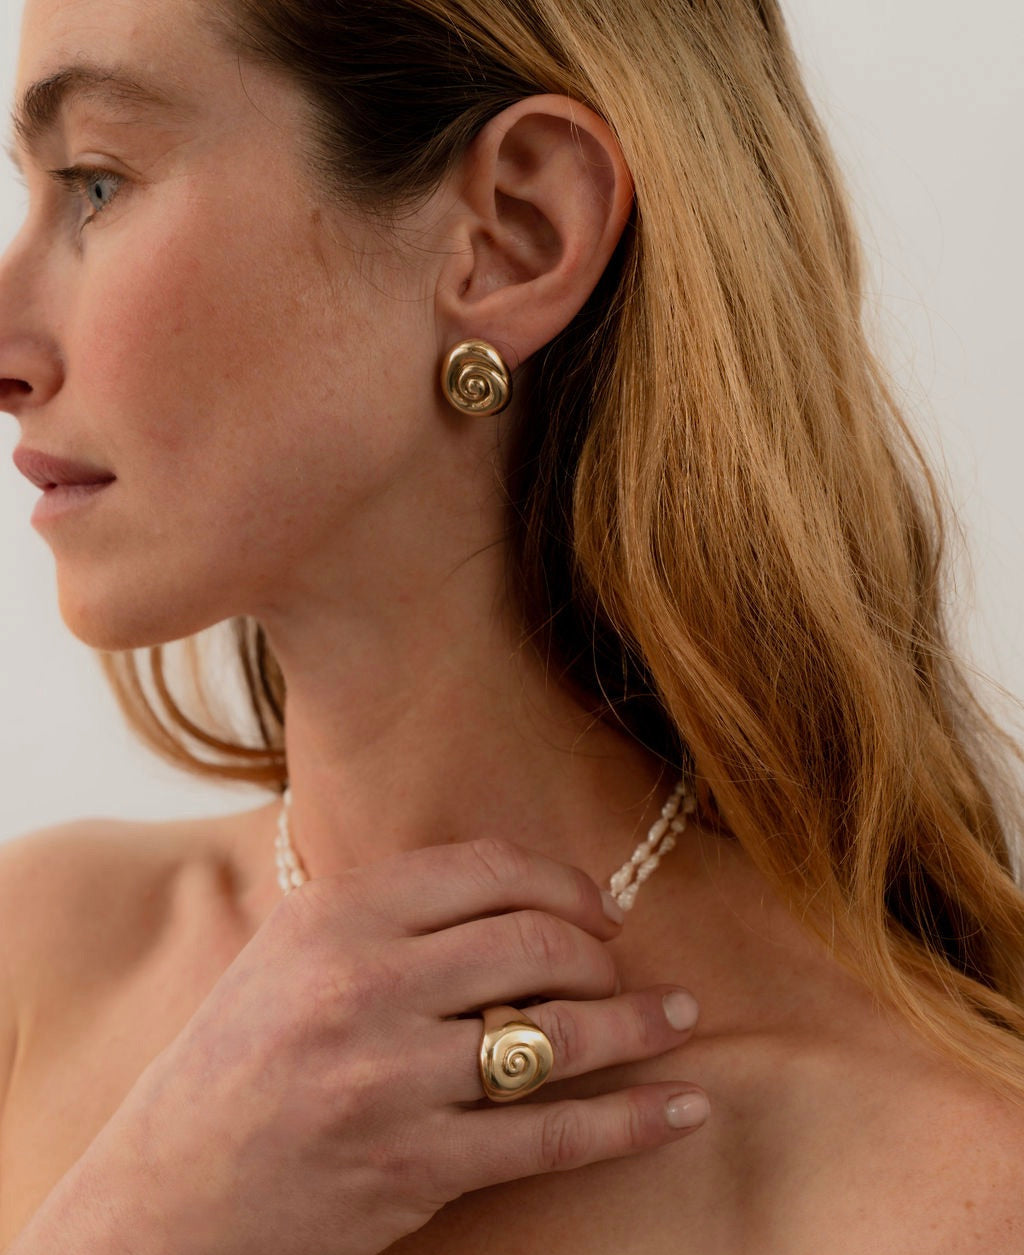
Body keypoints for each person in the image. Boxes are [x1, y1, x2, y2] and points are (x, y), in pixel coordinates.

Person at [1, 0, 1023, 1249]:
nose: (8, 336)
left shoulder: (945, 1184)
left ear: (511, 235)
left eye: (96, 183)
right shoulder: (31, 968)